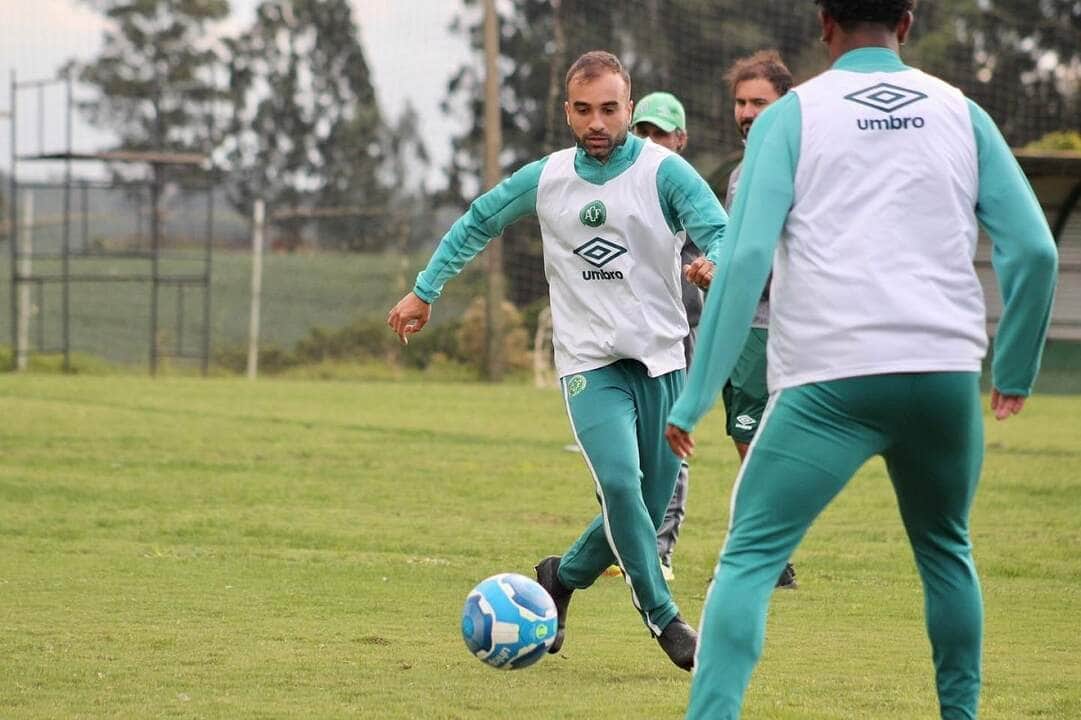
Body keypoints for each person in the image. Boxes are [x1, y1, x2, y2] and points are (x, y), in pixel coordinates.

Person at [665, 1, 1058, 717]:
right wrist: (1014, 367)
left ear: (823, 24)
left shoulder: (792, 116)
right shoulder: (961, 112)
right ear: (905, 23)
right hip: (942, 374)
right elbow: (1033, 250)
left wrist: (694, 396)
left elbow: (746, 256)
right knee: (944, 551)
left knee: (749, 558)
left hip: (830, 380)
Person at [387, 50, 730, 671]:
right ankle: (665, 620)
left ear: (629, 107)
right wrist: (424, 290)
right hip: (588, 364)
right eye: (582, 109)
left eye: (608, 108)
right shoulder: (545, 178)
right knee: (621, 488)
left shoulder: (666, 173)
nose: (596, 121)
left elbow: (723, 235)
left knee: (643, 513)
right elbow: (477, 221)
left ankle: (560, 576)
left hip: (660, 362)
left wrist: (714, 266)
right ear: (567, 111)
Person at [721, 50, 799, 590]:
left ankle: (771, 553)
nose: (747, 112)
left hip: (768, 322)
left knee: (754, 439)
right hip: (742, 321)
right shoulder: (740, 172)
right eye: (741, 102)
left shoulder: (793, 164)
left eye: (759, 102)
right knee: (749, 437)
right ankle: (773, 551)